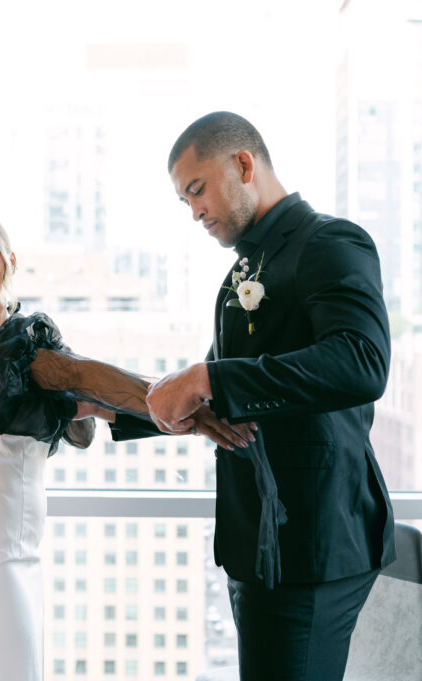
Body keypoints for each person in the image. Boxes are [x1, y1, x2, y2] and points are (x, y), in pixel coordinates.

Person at [0, 209, 248, 681]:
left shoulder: (8, 348)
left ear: (10, 259)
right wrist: (185, 399)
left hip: (8, 549)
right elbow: (75, 376)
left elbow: (91, 406)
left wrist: (190, 419)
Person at [132, 112, 396, 680]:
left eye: (197, 189)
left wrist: (208, 380)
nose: (195, 211)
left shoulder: (330, 242)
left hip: (312, 540)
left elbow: (362, 362)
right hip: (258, 543)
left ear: (243, 165)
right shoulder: (243, 273)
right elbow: (218, 387)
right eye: (184, 201)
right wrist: (95, 402)